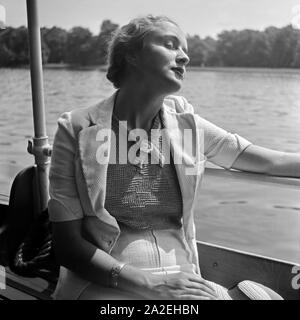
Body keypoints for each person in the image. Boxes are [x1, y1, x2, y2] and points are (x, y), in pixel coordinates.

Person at [48, 15, 300, 300]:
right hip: (105, 283)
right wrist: (152, 285)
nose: (184, 57)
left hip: (183, 280)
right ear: (131, 54)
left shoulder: (186, 125)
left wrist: (171, 286)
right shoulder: (77, 127)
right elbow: (67, 245)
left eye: (185, 50)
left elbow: (268, 161)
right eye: (171, 45)